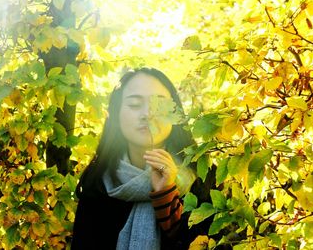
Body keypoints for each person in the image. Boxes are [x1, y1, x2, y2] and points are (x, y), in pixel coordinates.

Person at [71, 68, 216, 250]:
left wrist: (166, 195)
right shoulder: (99, 181)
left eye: (159, 105)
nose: (147, 114)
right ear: (116, 115)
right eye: (134, 105)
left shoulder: (203, 174)